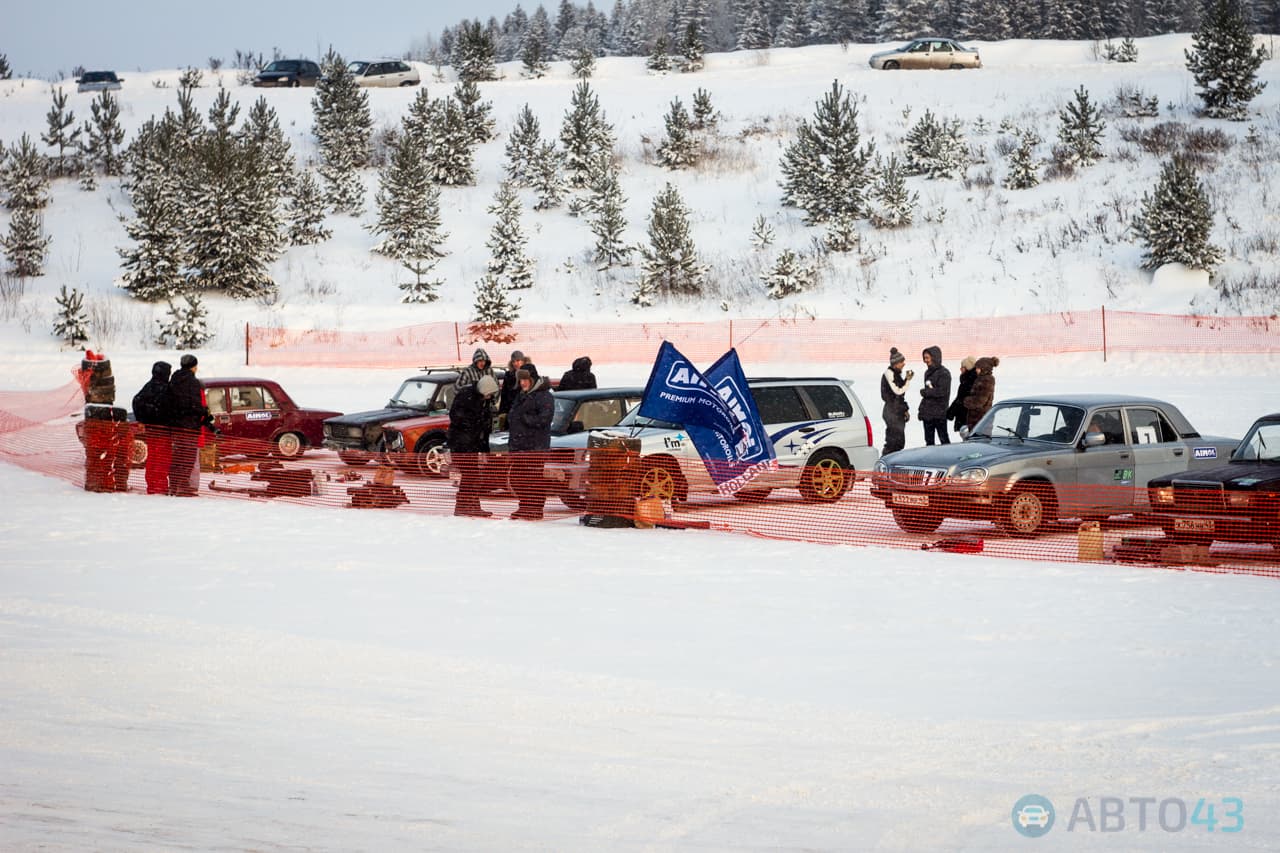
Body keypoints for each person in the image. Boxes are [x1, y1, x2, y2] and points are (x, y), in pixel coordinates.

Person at [506, 364, 554, 520]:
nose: (523, 383)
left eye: (525, 380)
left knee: (534, 479)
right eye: (521, 380)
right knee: (519, 478)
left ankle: (534, 508)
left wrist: (525, 419)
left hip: (535, 446)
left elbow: (544, 419)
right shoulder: (521, 395)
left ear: (532, 379)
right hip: (519, 446)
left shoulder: (544, 396)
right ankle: (525, 506)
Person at [449, 374, 500, 517]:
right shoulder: (466, 396)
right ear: (484, 390)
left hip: (473, 444)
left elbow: (485, 427)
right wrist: (471, 426)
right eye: (489, 394)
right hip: (462, 444)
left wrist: (485, 450)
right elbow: (456, 417)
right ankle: (465, 506)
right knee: (470, 475)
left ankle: (470, 506)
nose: (490, 397)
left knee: (472, 476)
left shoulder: (483, 401)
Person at [164, 354, 213, 496]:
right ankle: (183, 487)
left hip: (175, 427)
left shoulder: (174, 380)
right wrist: (204, 413)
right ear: (194, 367)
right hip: (190, 427)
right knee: (188, 458)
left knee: (177, 456)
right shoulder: (194, 383)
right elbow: (196, 405)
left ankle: (173, 485)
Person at [131, 360, 173, 495]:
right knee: (162, 460)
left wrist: (142, 419)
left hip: (151, 430)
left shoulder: (149, 386)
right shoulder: (166, 389)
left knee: (153, 458)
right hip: (164, 431)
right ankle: (159, 488)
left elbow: (136, 400)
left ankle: (152, 486)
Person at [880, 348, 913, 455]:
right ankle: (885, 464)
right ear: (896, 363)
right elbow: (898, 392)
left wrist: (904, 409)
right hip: (892, 413)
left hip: (896, 412)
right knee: (892, 443)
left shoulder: (895, 373)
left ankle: (893, 464)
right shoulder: (889, 374)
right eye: (902, 362)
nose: (904, 364)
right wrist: (907, 380)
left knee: (899, 443)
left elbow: (899, 395)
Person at [917, 346, 952, 446]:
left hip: (939, 413)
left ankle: (947, 459)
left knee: (944, 439)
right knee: (929, 442)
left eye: (927, 357)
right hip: (928, 414)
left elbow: (942, 392)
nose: (925, 360)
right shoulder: (928, 372)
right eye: (924, 358)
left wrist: (926, 392)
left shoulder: (944, 373)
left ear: (935, 357)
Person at [963, 356, 1000, 430]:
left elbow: (980, 400)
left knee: (979, 439)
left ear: (984, 368)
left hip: (981, 418)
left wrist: (966, 400)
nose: (976, 370)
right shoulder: (980, 378)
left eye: (978, 368)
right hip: (977, 418)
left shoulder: (987, 380)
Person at [947, 356, 976, 436]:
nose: (960, 369)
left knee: (968, 438)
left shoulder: (969, 382)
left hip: (967, 415)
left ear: (967, 368)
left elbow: (960, 399)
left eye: (962, 367)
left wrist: (950, 413)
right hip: (965, 415)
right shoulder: (967, 380)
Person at [498, 350, 527, 418]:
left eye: (518, 360)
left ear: (523, 361)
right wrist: (502, 412)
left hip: (524, 411)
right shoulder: (508, 375)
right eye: (513, 361)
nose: (515, 363)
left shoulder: (528, 373)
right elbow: (504, 395)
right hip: (510, 409)